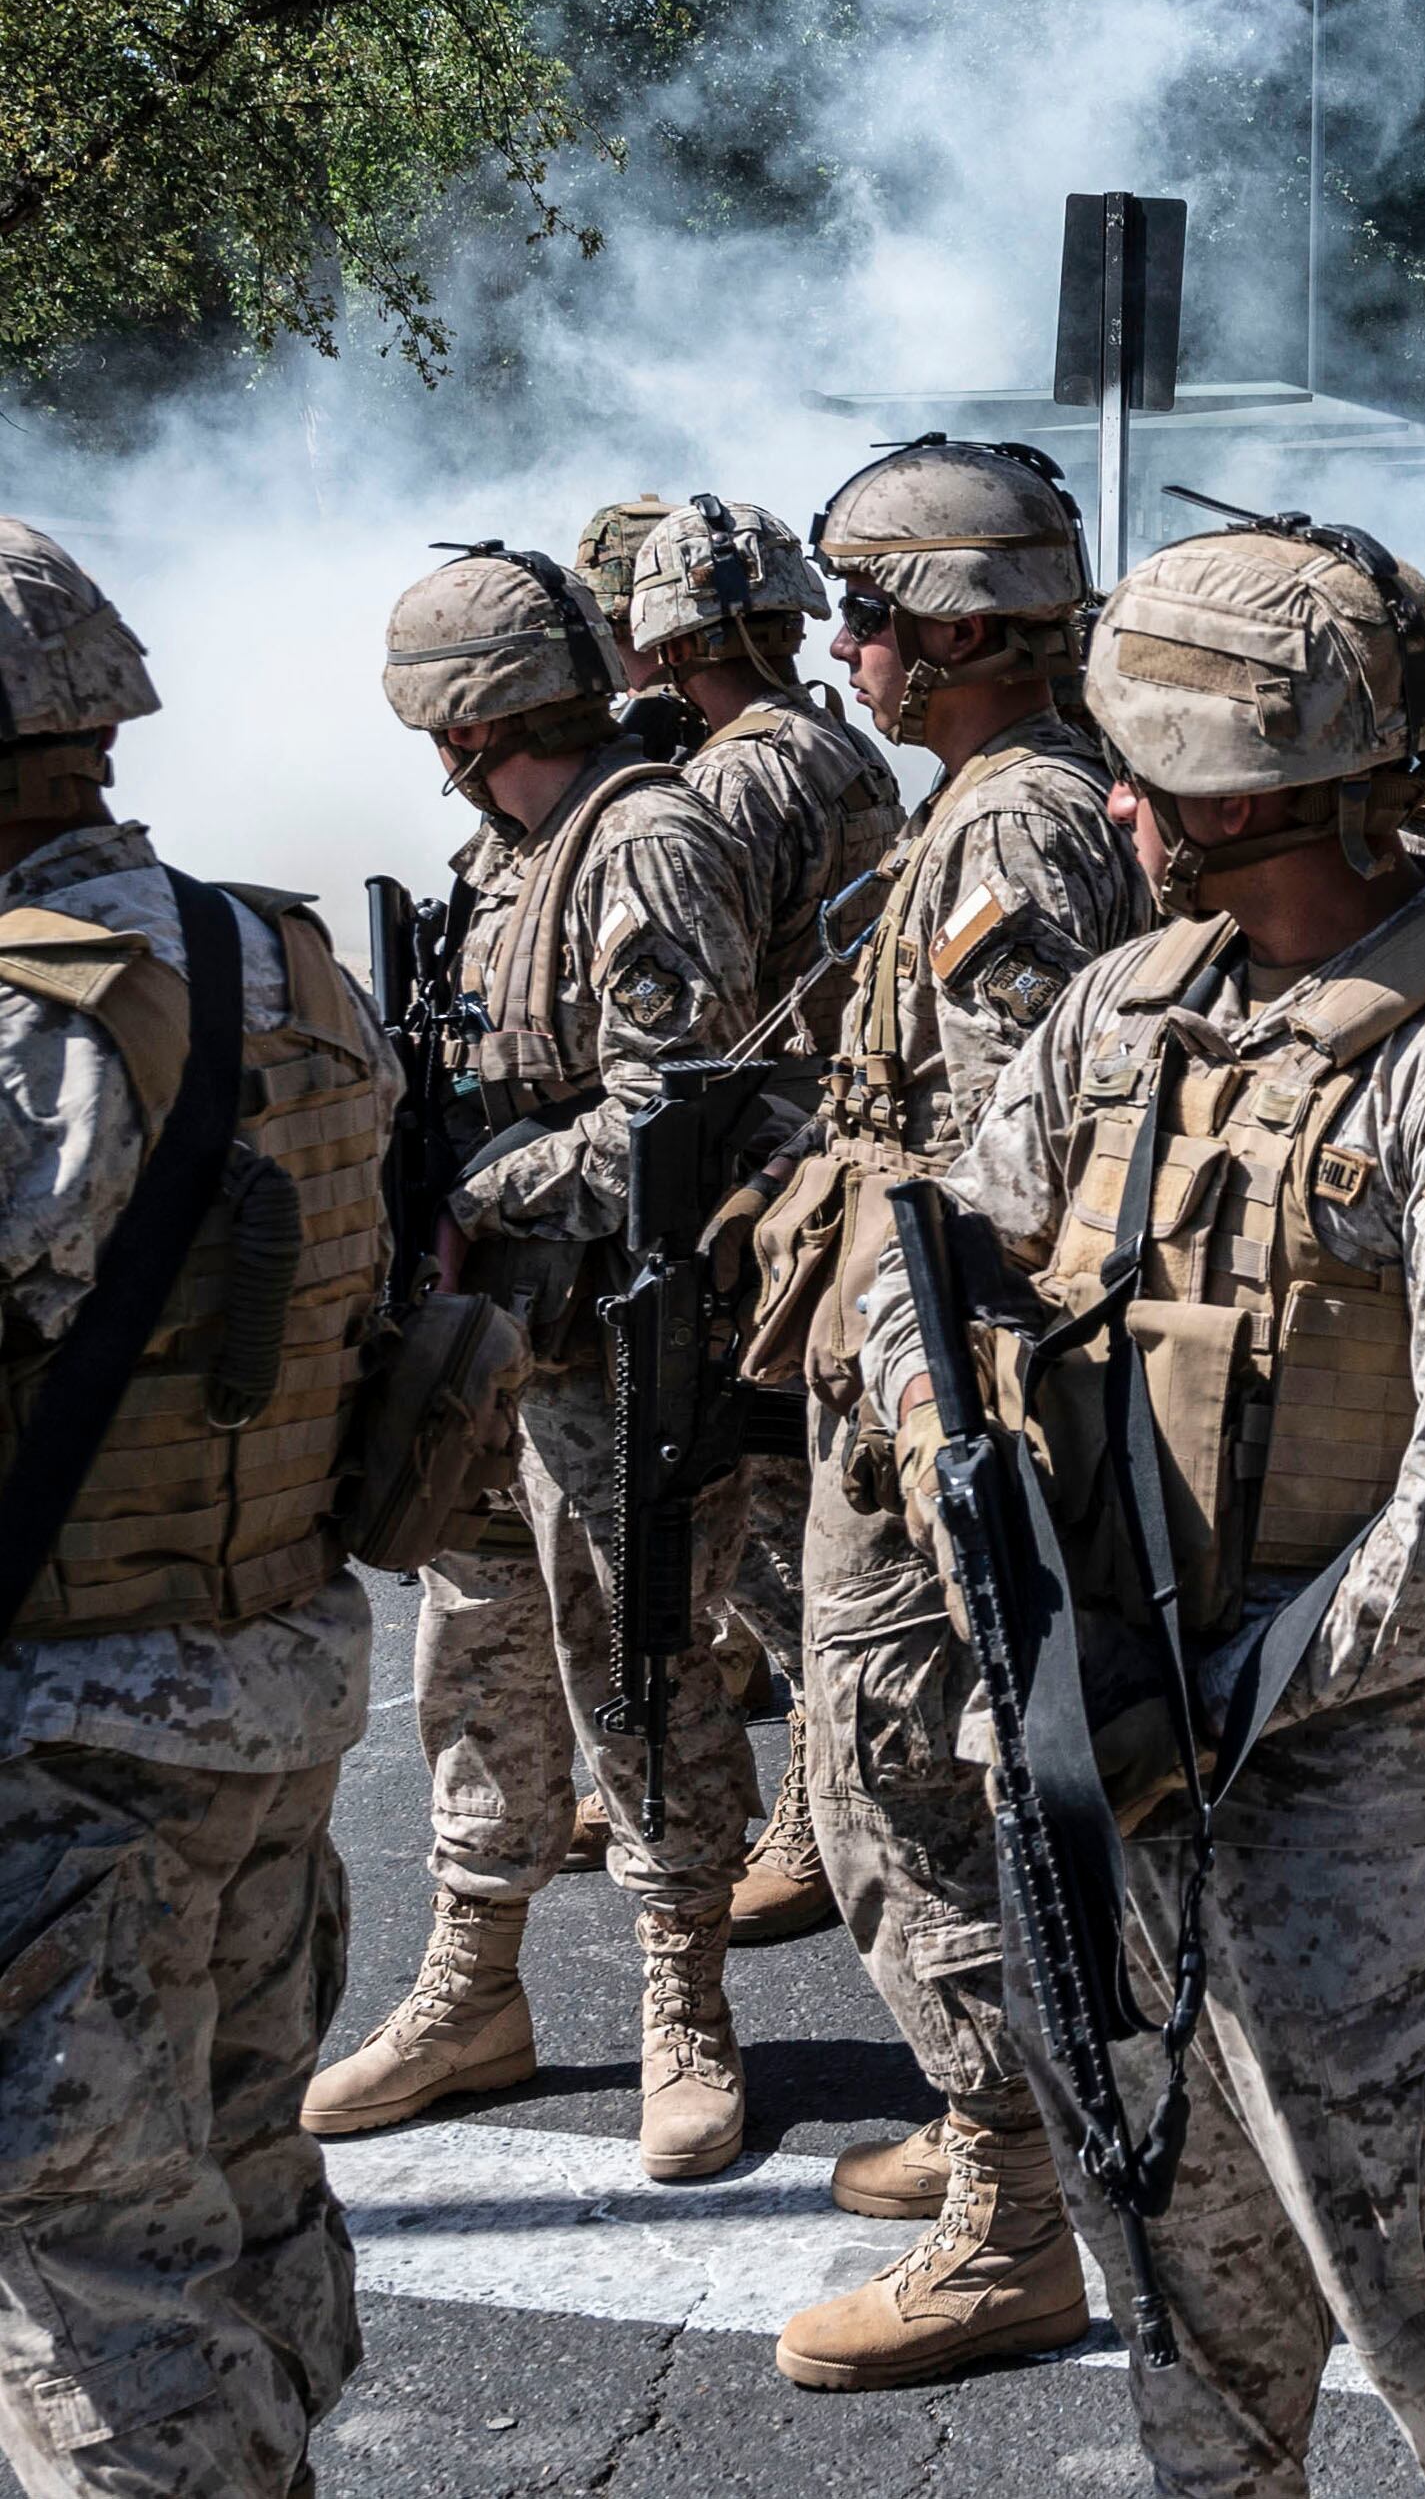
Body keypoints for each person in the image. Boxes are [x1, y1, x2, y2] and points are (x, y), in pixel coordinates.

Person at [855, 517, 1425, 2494]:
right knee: (1182, 2293)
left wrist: (1223, 1695)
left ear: (1262, 793)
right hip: (1101, 1753)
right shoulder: (1127, 1011)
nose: (1114, 801)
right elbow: (937, 1256)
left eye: (1152, 773)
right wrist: (1018, 1579)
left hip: (1358, 1799)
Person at [718, 436, 1140, 2389]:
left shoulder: (1010, 832)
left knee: (900, 1782)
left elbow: (1021, 1171)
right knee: (910, 1780)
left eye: (869, 614)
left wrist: (930, 1426)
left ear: (962, 629)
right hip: (913, 1374)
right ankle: (1010, 2128)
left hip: (944, 1405)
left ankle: (1012, 2201)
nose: (846, 648)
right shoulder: (992, 804)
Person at [0, 524, 400, 2499]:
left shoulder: (25, 1026)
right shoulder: (272, 952)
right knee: (241, 2179)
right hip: (271, 1684)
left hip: (64, 1740)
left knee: (88, 2262)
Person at [317, 543, 762, 2183]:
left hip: (618, 1340)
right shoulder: (501, 853)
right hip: (495, 1340)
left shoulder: (644, 841)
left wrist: (476, 1188)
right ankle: (472, 1985)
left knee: (637, 1672)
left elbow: (673, 1111)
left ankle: (682, 2003)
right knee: (474, 1655)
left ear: (460, 720)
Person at [617, 492, 905, 1950]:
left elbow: (704, 1025)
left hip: (757, 1180)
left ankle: (813, 1793)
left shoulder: (731, 782)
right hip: (824, 1155)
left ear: (668, 639)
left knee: (779, 1528)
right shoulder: (841, 745)